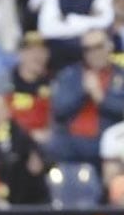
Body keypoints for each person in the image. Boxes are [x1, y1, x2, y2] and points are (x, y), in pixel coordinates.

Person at [49, 28, 124, 166]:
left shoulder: (121, 74)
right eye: (87, 49)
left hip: (108, 145)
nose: (93, 53)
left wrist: (102, 99)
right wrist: (82, 92)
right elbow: (59, 109)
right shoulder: (70, 75)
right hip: (71, 144)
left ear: (109, 46)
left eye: (98, 47)